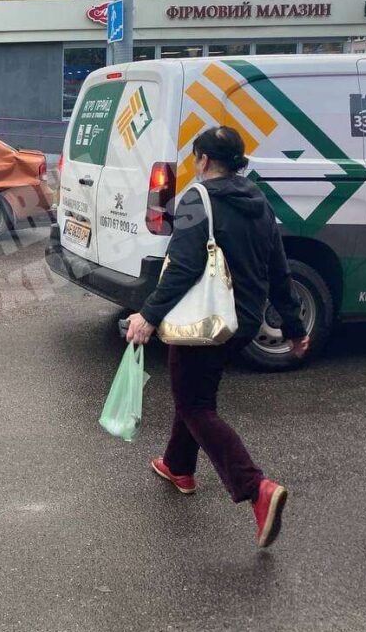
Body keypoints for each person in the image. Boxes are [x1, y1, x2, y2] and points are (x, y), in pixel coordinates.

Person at [125, 126, 309, 549]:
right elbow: (279, 270)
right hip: (240, 322)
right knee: (195, 390)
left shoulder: (198, 199)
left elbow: (184, 267)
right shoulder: (259, 203)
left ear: (204, 160)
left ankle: (256, 489)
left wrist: (149, 316)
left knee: (195, 403)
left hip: (205, 321)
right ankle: (177, 466)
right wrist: (295, 329)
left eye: (196, 157)